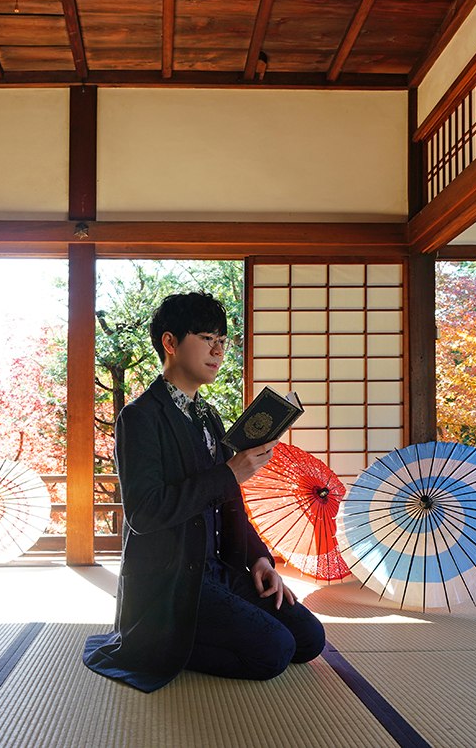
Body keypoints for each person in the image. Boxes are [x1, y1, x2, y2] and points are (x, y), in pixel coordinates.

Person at [82, 292, 325, 692]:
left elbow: (231, 506)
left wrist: (260, 560)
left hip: (218, 572)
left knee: (309, 639)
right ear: (171, 343)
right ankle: (155, 643)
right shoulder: (140, 417)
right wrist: (229, 473)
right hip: (172, 580)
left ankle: (196, 631)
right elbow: (144, 512)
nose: (218, 350)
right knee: (274, 652)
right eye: (206, 338)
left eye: (222, 341)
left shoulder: (209, 416)